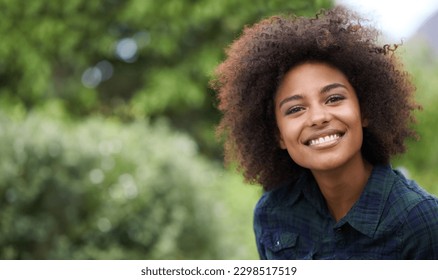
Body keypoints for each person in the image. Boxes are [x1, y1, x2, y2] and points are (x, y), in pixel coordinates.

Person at [211, 5, 438, 259]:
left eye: (333, 99)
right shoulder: (273, 214)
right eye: (296, 109)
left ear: (365, 111)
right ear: (278, 135)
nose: (318, 118)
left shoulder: (421, 222)